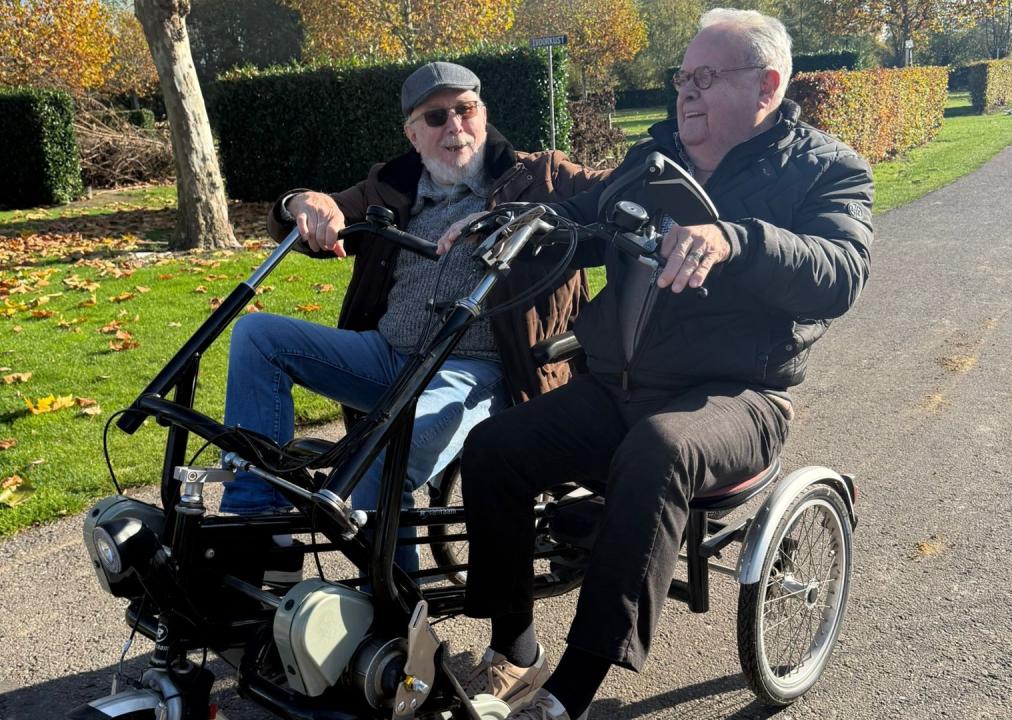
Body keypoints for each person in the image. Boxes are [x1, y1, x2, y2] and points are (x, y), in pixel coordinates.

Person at [453, 9, 874, 719]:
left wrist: (738, 240)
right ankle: (516, 647)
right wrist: (523, 221)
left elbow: (842, 273)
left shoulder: (826, 168)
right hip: (618, 388)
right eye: (683, 78)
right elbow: (587, 219)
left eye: (706, 77)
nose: (686, 92)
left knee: (658, 450)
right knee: (494, 446)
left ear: (768, 85)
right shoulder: (653, 159)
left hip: (738, 399)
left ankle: (571, 691)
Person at [219, 62, 607, 573]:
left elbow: (621, 190)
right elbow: (321, 212)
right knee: (257, 335)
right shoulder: (392, 184)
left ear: (484, 114)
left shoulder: (541, 176)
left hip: (481, 370)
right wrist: (303, 203)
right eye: (436, 117)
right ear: (413, 134)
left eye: (465, 110)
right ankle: (258, 525)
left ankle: (390, 603)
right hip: (386, 356)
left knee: (383, 450)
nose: (454, 126)